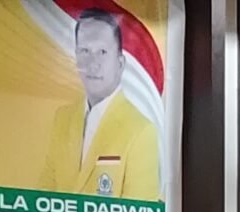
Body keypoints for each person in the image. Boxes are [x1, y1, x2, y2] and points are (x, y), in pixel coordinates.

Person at [39, 7, 160, 200]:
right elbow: (43, 198)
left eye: (102, 52)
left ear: (120, 63)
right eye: (85, 51)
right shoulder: (62, 118)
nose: (92, 63)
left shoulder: (142, 131)